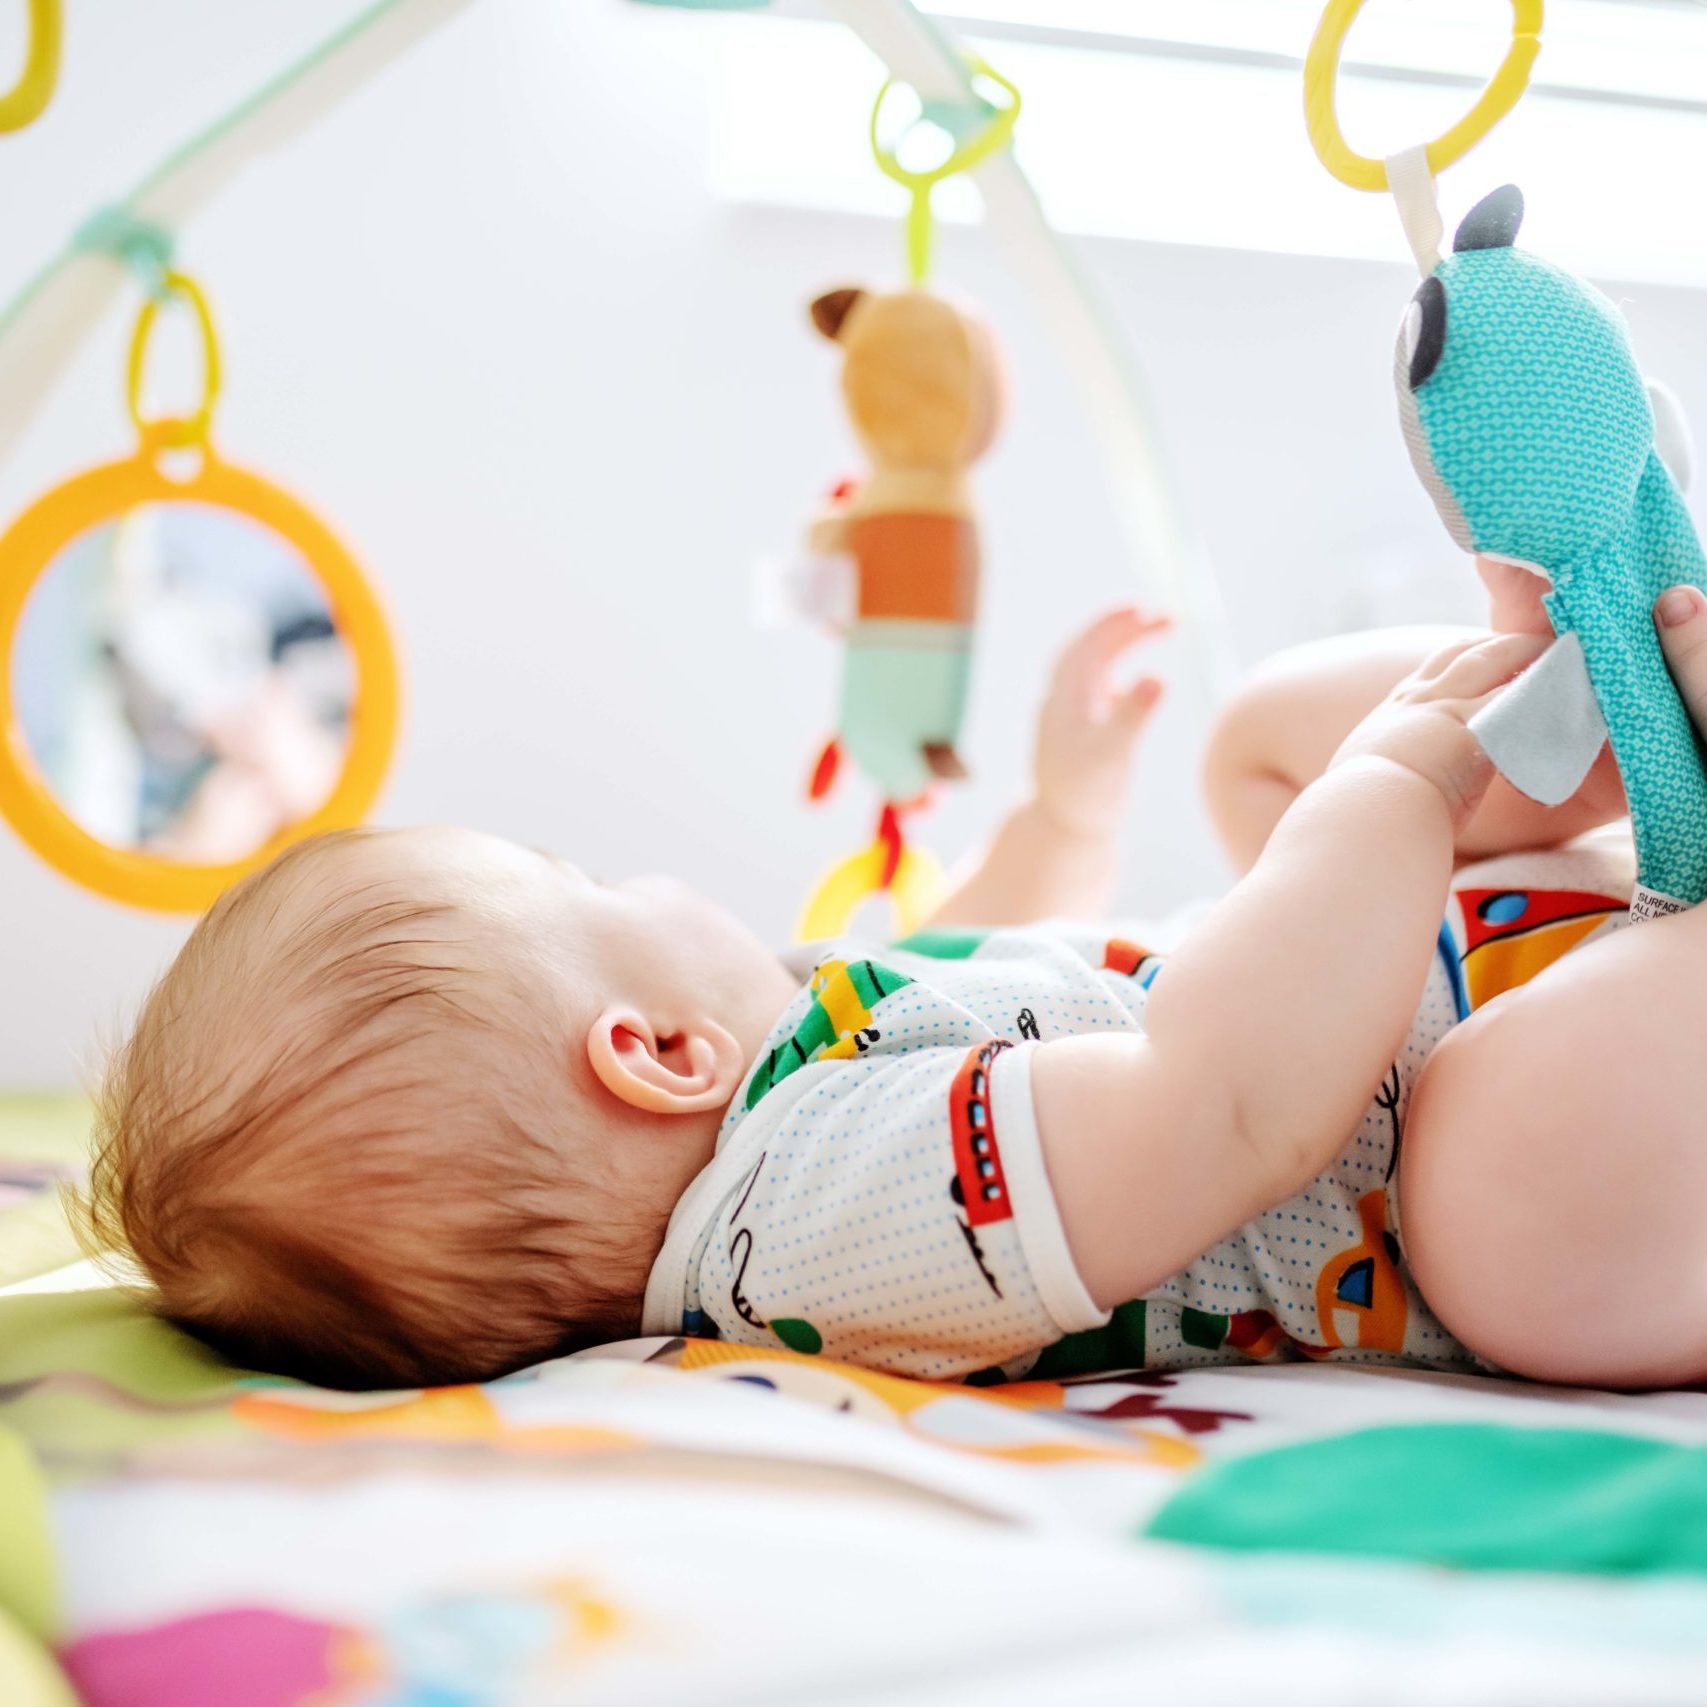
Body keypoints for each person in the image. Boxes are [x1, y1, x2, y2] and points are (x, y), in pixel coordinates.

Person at [77, 584, 1707, 1393]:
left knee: (1253, 740)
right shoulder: (807, 1218)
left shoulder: (777, 1067)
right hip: (1485, 1140)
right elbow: (1218, 1110)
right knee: (1499, 1200)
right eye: (581, 889)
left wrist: (1063, 812)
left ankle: (1587, 684)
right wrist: (1395, 792)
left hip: (1454, 967)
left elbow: (965, 964)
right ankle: (1558, 742)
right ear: (647, 1052)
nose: (627, 875)